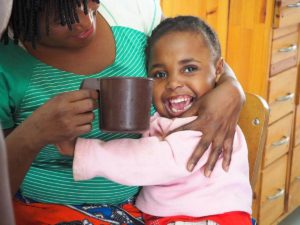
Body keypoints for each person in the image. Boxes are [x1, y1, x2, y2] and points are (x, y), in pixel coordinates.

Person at [0, 0, 245, 224]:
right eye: (62, 19)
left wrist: (231, 87)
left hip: (152, 210)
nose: (85, 21)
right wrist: (34, 133)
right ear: (16, 17)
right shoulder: (7, 65)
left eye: (88, 3)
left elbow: (193, 46)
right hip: (50, 210)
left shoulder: (130, 9)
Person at [58, 16, 252, 225]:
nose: (173, 83)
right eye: (160, 74)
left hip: (210, 217)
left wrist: (83, 151)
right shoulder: (165, 119)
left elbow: (150, 160)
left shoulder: (206, 122)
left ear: (218, 70)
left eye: (189, 69)